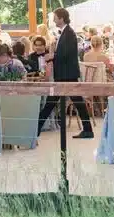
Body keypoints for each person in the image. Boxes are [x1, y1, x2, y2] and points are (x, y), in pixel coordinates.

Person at [37, 8, 93, 138]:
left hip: (66, 75)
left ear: (61, 18)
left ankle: (36, 129)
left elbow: (65, 54)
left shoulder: (69, 33)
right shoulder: (66, 33)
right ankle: (88, 130)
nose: (54, 20)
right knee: (72, 102)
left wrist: (51, 56)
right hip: (65, 74)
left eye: (55, 17)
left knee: (51, 103)